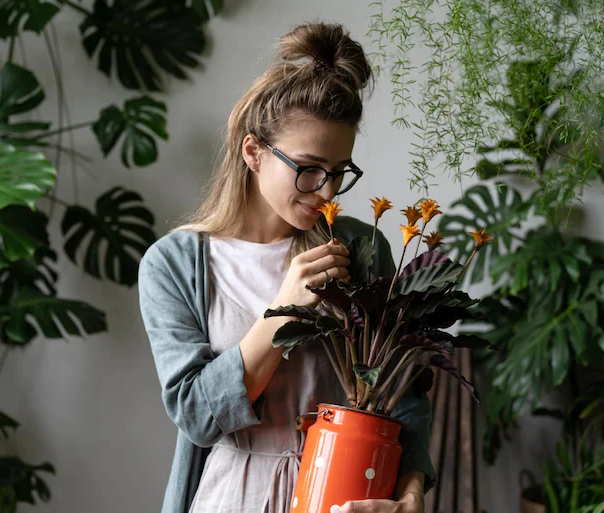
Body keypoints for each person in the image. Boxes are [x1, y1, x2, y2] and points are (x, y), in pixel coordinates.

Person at [138, 21, 434, 513]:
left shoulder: (360, 248)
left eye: (340, 172)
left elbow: (402, 392)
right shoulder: (174, 264)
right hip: (230, 497)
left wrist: (410, 494)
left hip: (346, 497)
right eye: (309, 169)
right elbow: (196, 414)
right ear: (253, 152)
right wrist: (283, 312)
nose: (327, 191)